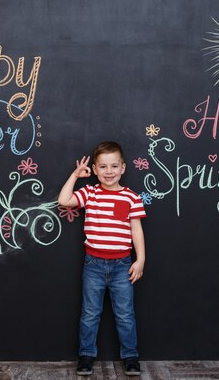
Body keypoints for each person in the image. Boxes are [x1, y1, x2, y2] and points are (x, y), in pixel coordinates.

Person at [58, 141, 146, 376]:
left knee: (125, 314)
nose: (109, 172)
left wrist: (141, 260)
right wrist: (75, 175)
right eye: (103, 167)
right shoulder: (91, 193)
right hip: (94, 265)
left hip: (122, 266)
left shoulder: (131, 198)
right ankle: (86, 355)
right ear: (95, 170)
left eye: (114, 166)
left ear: (123, 168)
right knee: (89, 313)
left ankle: (130, 357)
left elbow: (136, 230)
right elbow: (64, 201)